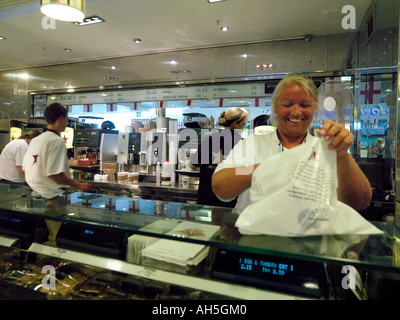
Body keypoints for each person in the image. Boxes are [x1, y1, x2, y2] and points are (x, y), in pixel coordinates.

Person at [212, 73, 372, 212]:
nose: (296, 112)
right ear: (275, 109)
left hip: (306, 242)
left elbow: (359, 202)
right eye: (287, 104)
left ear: (314, 109)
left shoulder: (326, 150)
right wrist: (265, 169)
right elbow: (221, 185)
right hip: (252, 240)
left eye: (305, 105)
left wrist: (342, 155)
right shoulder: (253, 144)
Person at [23, 103, 91, 199]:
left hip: (35, 192)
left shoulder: (35, 140)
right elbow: (54, 175)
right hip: (52, 194)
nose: (67, 123)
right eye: (66, 119)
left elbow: (26, 167)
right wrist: (78, 185)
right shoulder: (56, 141)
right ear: (61, 119)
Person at [189, 107, 248, 207]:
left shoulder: (210, 139)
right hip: (229, 200)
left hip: (206, 198)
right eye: (244, 123)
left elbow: (192, 165)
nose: (244, 126)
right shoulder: (243, 144)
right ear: (235, 124)